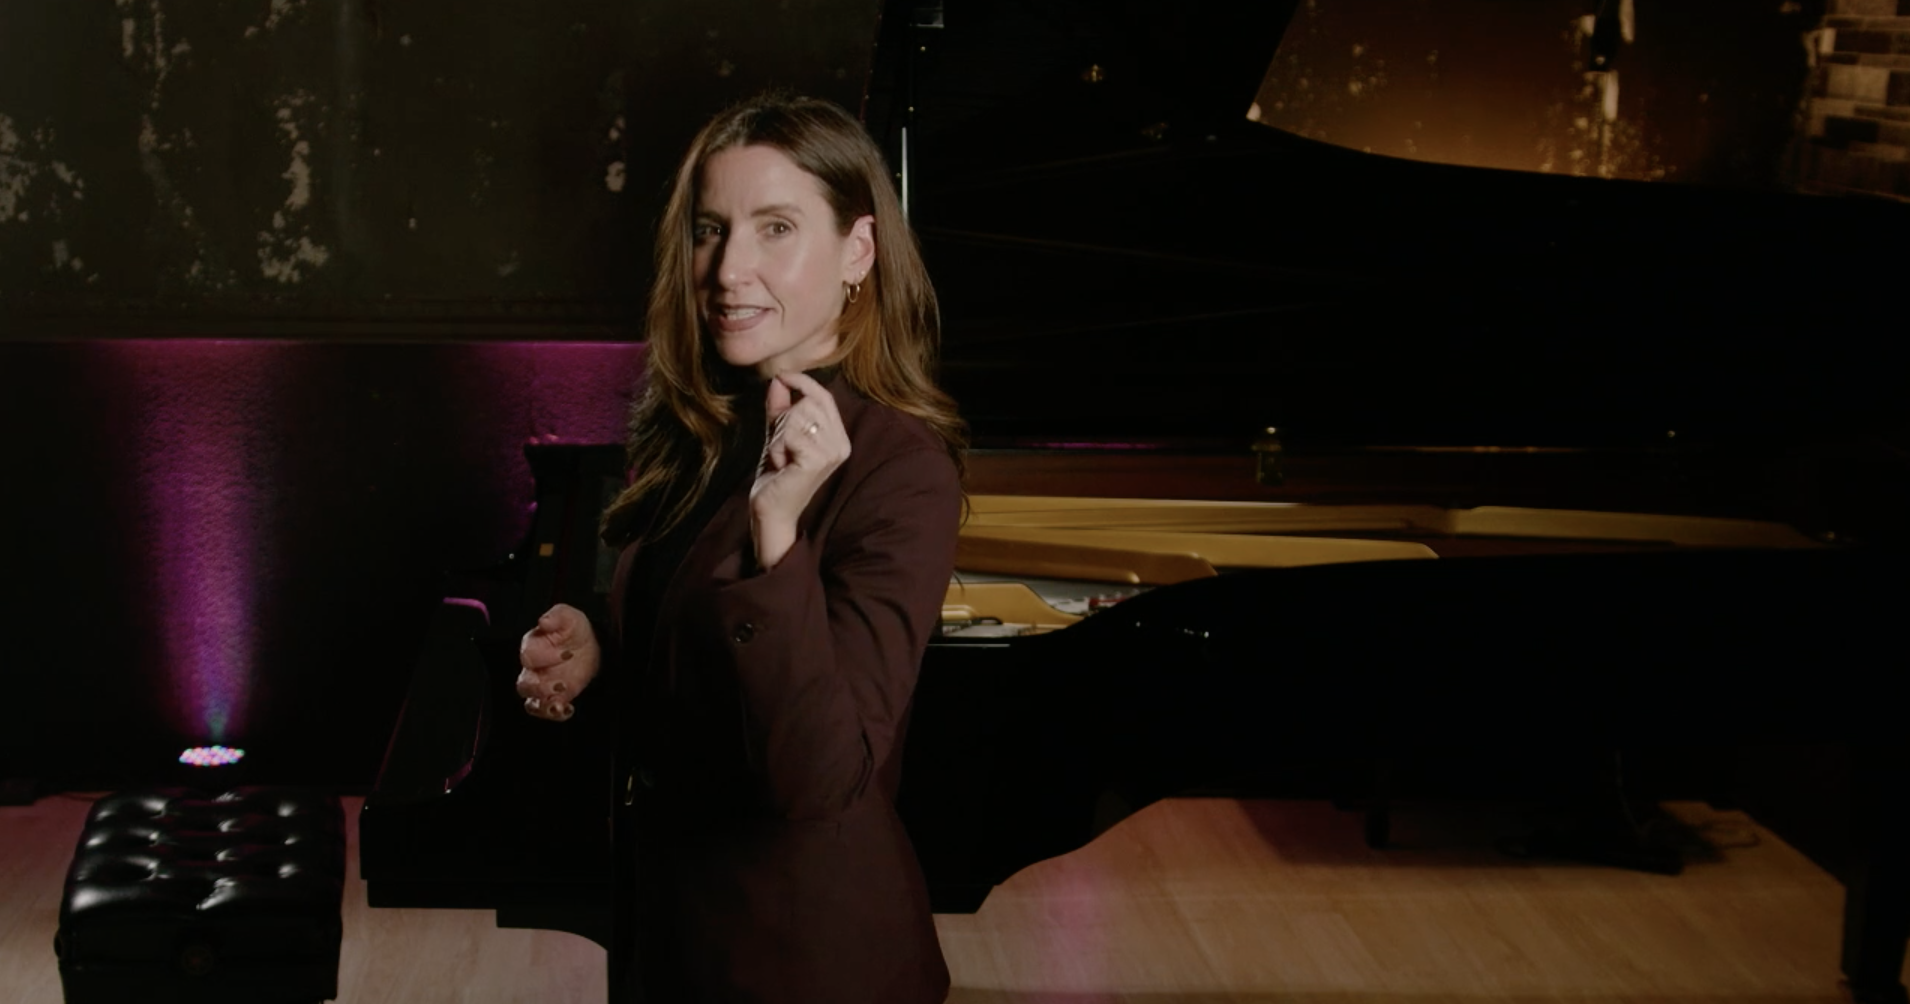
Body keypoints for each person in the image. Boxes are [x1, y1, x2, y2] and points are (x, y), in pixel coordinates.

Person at [513, 93, 966, 1003]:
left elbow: (819, 778)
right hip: (676, 936)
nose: (729, 270)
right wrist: (606, 643)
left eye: (776, 229)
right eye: (712, 230)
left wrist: (779, 534)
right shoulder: (710, 425)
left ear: (858, 253)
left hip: (801, 962)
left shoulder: (901, 470)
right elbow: (707, 659)